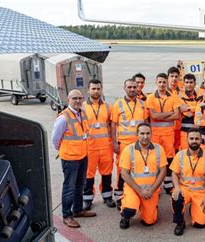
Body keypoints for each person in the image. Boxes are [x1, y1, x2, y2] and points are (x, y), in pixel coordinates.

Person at [52, 89, 96, 228]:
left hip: (83, 155)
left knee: (80, 185)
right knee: (69, 187)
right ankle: (67, 215)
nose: (77, 101)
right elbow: (55, 139)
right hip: (70, 158)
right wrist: (64, 149)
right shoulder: (63, 117)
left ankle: (77, 210)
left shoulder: (82, 113)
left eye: (80, 98)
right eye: (74, 98)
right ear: (68, 100)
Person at [118, 123, 167, 229]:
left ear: (151, 134)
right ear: (137, 134)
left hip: (151, 191)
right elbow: (124, 173)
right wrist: (140, 191)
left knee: (149, 222)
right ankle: (125, 215)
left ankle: (149, 207)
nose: (145, 136)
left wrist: (152, 190)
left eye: (148, 133)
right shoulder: (128, 150)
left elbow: (163, 171)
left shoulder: (159, 149)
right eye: (142, 133)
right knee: (130, 209)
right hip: (134, 189)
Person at [170, 128, 205, 236]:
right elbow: (174, 174)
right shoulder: (180, 155)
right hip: (184, 189)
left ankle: (193, 209)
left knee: (200, 224)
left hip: (200, 192)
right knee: (177, 198)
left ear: (200, 140)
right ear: (187, 140)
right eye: (191, 138)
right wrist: (177, 187)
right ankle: (180, 223)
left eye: (196, 138)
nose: (194, 141)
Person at [111, 79, 149, 209]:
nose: (132, 89)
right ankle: (119, 196)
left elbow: (145, 123)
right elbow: (113, 124)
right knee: (122, 170)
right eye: (129, 87)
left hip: (140, 144)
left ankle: (136, 193)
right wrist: (114, 143)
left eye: (134, 87)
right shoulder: (118, 104)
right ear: (124, 88)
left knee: (138, 169)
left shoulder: (142, 104)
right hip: (124, 144)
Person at [82, 79, 116, 210]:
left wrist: (113, 143)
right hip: (90, 147)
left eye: (98, 89)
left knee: (107, 173)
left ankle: (107, 196)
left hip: (105, 147)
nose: (96, 91)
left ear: (101, 90)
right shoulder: (83, 107)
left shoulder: (108, 107)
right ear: (88, 90)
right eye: (93, 89)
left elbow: (112, 127)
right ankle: (87, 198)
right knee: (89, 174)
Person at [146, 73, 180, 194]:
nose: (162, 84)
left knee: (169, 159)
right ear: (156, 82)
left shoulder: (173, 97)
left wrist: (159, 116)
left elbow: (176, 115)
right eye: (159, 82)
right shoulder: (150, 98)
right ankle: (156, 186)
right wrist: (168, 114)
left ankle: (168, 184)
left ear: (167, 83)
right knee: (155, 159)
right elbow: (153, 116)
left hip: (168, 134)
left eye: (164, 82)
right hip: (155, 134)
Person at [178, 74, 203, 150]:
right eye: (187, 82)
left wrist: (188, 108)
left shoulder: (200, 96)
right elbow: (186, 114)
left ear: (195, 83)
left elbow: (202, 110)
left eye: (191, 82)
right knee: (185, 152)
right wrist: (196, 109)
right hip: (184, 131)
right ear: (184, 83)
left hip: (198, 130)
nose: (189, 84)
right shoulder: (180, 97)